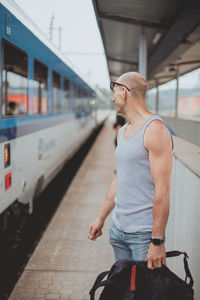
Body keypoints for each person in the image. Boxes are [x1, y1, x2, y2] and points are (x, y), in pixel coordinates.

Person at [88, 71, 174, 271]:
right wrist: (101, 217)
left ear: (124, 92)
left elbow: (163, 190)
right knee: (122, 290)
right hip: (118, 230)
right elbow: (119, 177)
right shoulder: (123, 131)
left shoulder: (155, 130)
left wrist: (157, 240)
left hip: (143, 236)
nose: (113, 98)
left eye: (115, 92)